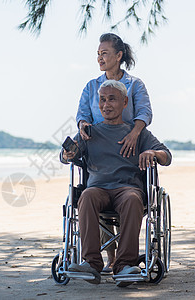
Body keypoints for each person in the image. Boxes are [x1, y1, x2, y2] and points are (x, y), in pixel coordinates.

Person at [61, 80, 171, 285]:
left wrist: (152, 152)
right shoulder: (89, 132)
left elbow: (167, 156)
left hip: (127, 189)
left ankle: (124, 266)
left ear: (124, 102)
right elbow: (67, 156)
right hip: (98, 189)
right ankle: (92, 264)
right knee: (86, 195)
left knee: (131, 199)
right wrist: (68, 154)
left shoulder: (137, 133)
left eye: (112, 99)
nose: (106, 104)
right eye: (102, 100)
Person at [76, 33, 153, 271]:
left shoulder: (134, 84)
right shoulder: (92, 86)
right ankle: (107, 259)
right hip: (99, 147)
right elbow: (82, 116)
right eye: (98, 53)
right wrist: (83, 129)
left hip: (128, 144)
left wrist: (134, 133)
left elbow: (144, 112)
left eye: (104, 53)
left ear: (118, 56)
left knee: (128, 196)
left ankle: (123, 261)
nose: (100, 57)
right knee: (95, 192)